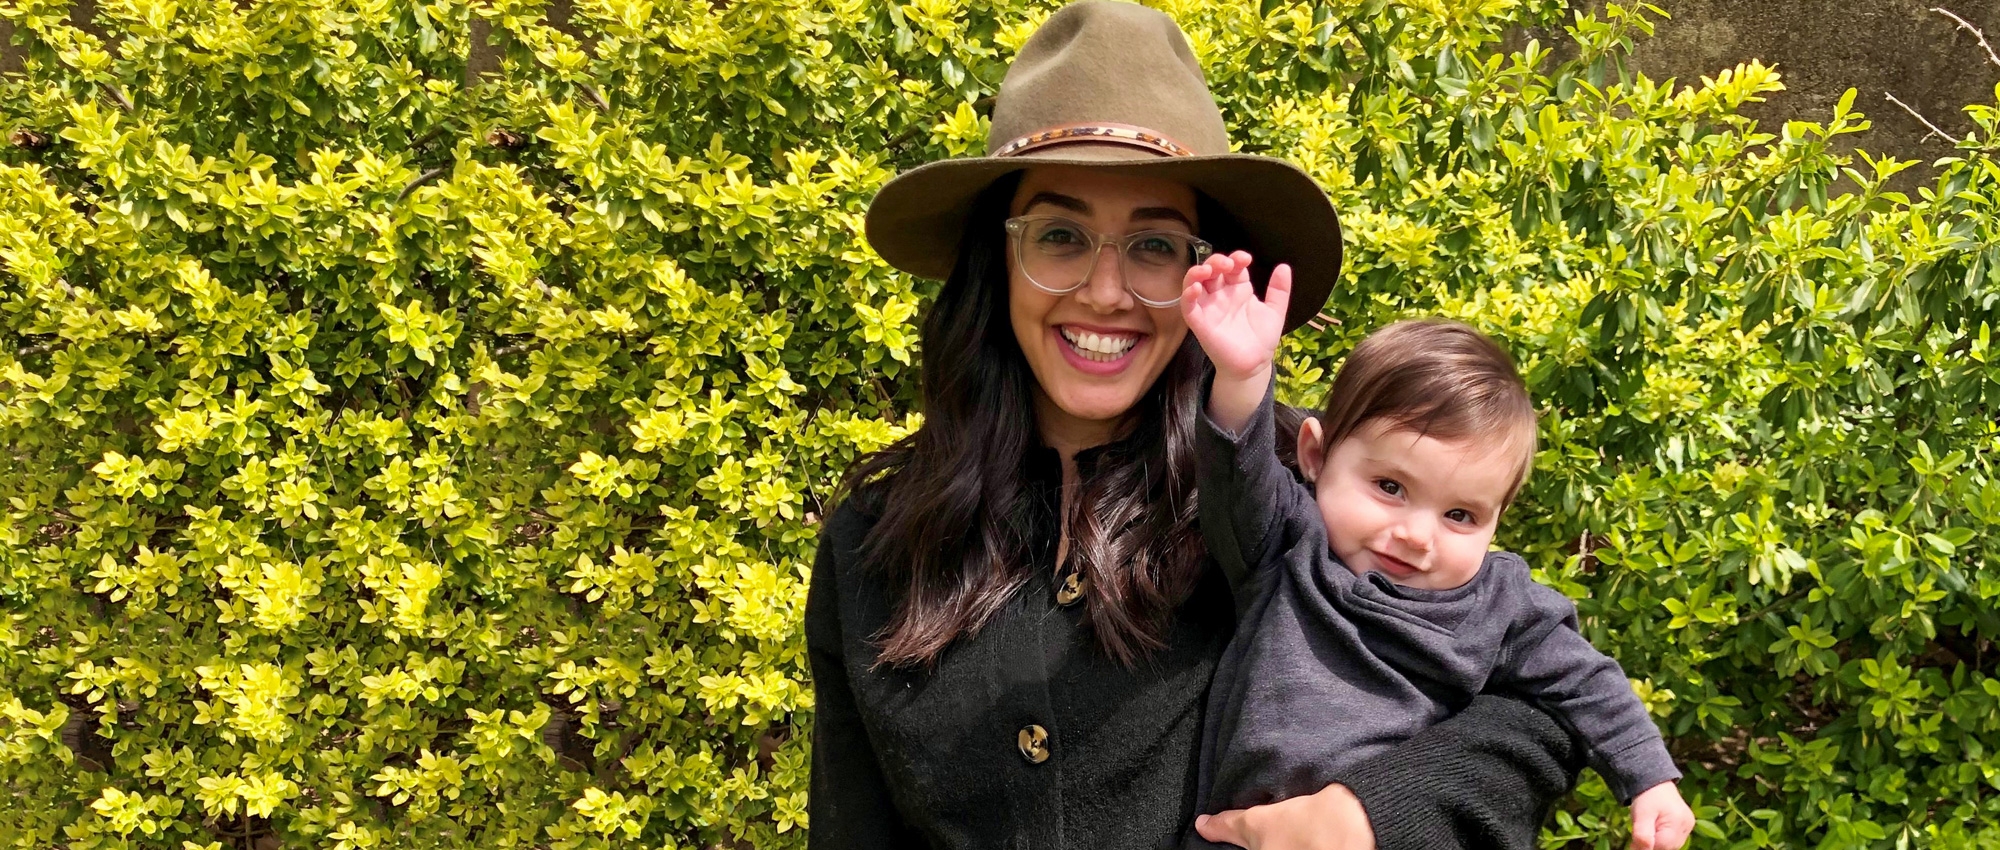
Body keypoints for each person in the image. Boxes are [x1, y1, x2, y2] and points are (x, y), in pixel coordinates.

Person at [808, 2, 1584, 848]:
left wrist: (1372, 816)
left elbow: (1539, 700)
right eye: (1060, 236)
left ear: (1205, 272)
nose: (1106, 293)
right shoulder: (875, 542)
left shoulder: (1301, 493)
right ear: (997, 263)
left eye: (1153, 247)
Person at [1177, 253, 1699, 850]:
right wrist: (1242, 377)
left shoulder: (1500, 603)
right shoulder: (1290, 544)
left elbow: (1585, 683)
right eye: (1390, 488)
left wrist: (1649, 779)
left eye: (1460, 515)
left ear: (1496, 519)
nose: (1418, 536)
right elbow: (1236, 478)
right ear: (1316, 456)